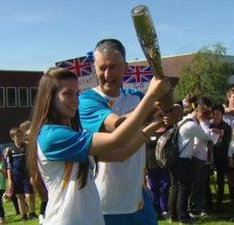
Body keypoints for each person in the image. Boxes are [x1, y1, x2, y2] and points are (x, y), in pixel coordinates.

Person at [27, 67, 168, 225]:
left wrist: (156, 124)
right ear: (50, 97)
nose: (75, 100)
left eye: (76, 93)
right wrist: (150, 96)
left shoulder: (70, 133)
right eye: (67, 93)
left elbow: (120, 153)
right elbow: (117, 139)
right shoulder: (52, 136)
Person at [78, 38, 178, 225]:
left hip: (139, 199)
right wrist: (151, 98)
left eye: (114, 67)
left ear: (125, 67)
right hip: (105, 204)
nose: (107, 74)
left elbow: (162, 110)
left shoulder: (136, 97)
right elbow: (118, 126)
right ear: (94, 68)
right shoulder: (86, 100)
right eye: (102, 68)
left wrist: (172, 110)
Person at [167, 98, 220, 224]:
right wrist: (205, 124)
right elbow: (206, 136)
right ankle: (183, 217)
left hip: (174, 158)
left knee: (174, 188)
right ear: (199, 114)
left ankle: (172, 215)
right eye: (204, 116)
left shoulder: (184, 120)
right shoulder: (192, 125)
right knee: (184, 188)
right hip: (183, 160)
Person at [189, 97, 219, 217]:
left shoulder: (206, 121)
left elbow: (211, 137)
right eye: (205, 109)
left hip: (205, 157)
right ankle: (190, 208)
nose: (208, 112)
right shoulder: (193, 121)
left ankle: (200, 208)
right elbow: (207, 135)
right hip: (196, 156)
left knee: (202, 185)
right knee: (195, 185)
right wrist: (211, 131)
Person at [6, 128, 36, 221]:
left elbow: (32, 161)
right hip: (16, 176)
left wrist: (33, 174)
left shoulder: (27, 147)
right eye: (17, 136)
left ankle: (32, 212)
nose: (20, 138)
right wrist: (10, 180)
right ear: (12, 138)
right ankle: (23, 215)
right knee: (20, 196)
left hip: (27, 174)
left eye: (21, 136)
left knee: (29, 195)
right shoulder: (10, 150)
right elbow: (9, 166)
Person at [209, 104, 232, 212]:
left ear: (222, 115)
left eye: (218, 114)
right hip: (209, 157)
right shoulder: (208, 125)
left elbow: (227, 142)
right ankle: (208, 203)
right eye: (214, 114)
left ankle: (220, 203)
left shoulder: (226, 127)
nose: (216, 116)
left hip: (222, 157)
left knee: (221, 180)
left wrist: (220, 133)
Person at [145, 127, 170, 219]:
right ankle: (156, 209)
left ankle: (164, 208)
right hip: (150, 165)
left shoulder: (168, 130)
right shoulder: (148, 131)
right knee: (154, 187)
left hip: (163, 164)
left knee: (164, 186)